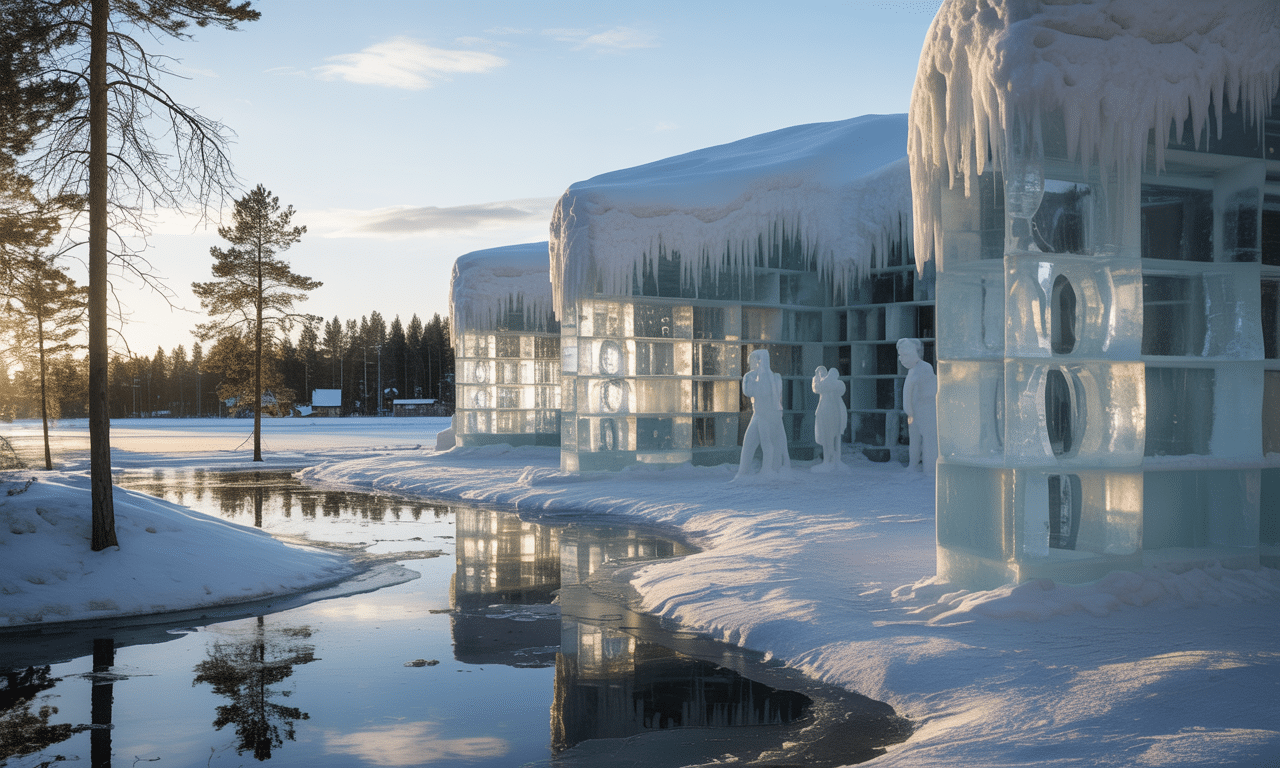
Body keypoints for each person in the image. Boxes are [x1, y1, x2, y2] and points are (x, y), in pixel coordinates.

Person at [736, 349, 791, 478]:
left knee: (769, 445)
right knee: (749, 443)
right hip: (759, 415)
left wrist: (755, 380)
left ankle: (769, 471)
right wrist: (748, 379)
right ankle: (742, 474)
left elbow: (775, 397)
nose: (751, 364)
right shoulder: (751, 376)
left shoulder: (774, 378)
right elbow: (747, 392)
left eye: (754, 361)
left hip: (770, 416)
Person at [897, 338, 938, 474]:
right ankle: (913, 465)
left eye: (904, 355)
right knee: (914, 439)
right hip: (914, 412)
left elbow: (913, 387)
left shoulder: (924, 368)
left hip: (925, 410)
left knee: (928, 439)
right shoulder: (913, 370)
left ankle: (929, 468)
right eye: (900, 355)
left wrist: (908, 408)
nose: (901, 359)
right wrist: (909, 410)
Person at [811, 366, 846, 472]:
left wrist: (826, 380)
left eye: (823, 372)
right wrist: (818, 379)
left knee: (831, 435)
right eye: (818, 372)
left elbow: (840, 389)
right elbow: (816, 388)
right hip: (823, 411)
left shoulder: (835, 384)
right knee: (825, 435)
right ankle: (828, 459)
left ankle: (833, 458)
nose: (820, 373)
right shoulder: (822, 383)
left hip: (832, 412)